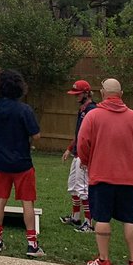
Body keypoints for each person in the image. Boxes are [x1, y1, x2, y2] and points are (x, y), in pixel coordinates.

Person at [76, 79, 133, 265]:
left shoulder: (93, 116)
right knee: (130, 220)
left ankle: (104, 260)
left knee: (102, 217)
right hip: (128, 178)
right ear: (120, 94)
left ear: (103, 93)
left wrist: (87, 160)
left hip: (102, 175)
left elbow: (83, 143)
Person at [0, 69, 44, 258]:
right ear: (19, 87)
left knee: (0, 200)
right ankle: (32, 244)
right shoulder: (24, 110)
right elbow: (37, 136)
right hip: (23, 163)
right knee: (27, 202)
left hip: (0, 163)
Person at [60, 79, 97, 232]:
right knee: (73, 185)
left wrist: (85, 156)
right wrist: (70, 148)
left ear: (87, 93)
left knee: (83, 188)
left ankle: (89, 223)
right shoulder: (83, 109)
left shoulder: (92, 110)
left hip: (84, 154)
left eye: (78, 93)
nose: (76, 96)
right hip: (77, 153)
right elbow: (79, 133)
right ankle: (76, 217)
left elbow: (90, 136)